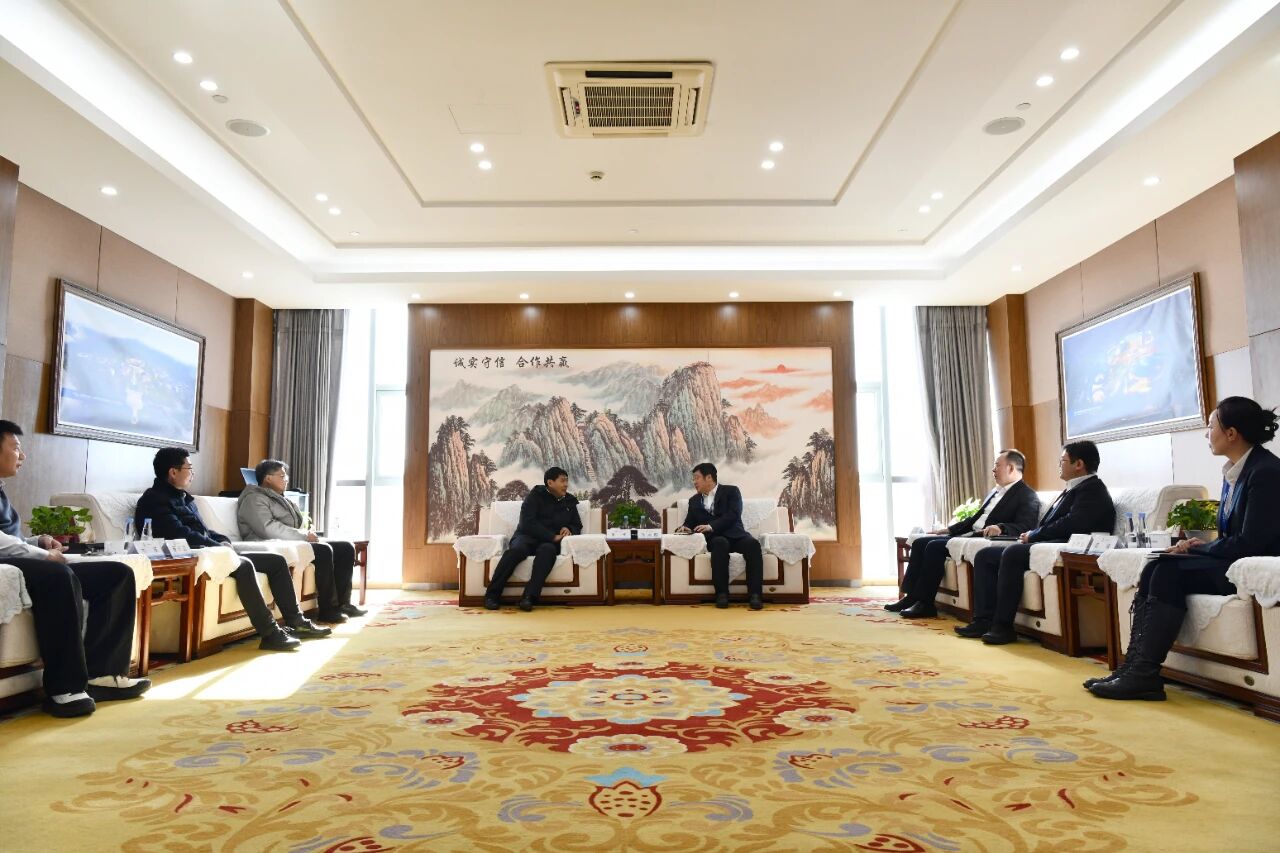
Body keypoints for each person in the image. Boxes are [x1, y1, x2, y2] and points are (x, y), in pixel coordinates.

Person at [1089, 397, 1280, 701]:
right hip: (1232, 561)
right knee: (1155, 566)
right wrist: (1196, 547)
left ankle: (1144, 674)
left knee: (1168, 572)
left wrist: (1199, 549)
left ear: (1231, 433)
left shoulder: (1266, 472)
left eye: (1211, 426)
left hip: (1252, 567)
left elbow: (1253, 541)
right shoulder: (1235, 471)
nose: (1207, 434)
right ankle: (1133, 667)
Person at [0, 420, 151, 717]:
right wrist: (41, 555)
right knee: (58, 575)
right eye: (15, 448)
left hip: (18, 557)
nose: (22, 455)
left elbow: (8, 537)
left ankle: (102, 675)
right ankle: (64, 689)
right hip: (9, 563)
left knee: (116, 575)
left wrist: (38, 541)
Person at [135, 448, 330, 650]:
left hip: (213, 552)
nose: (193, 473)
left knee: (276, 561)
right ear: (173, 472)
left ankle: (296, 621)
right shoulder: (154, 500)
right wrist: (217, 546)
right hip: (192, 556)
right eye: (189, 468)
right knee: (244, 565)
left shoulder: (185, 499)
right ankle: (270, 633)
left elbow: (203, 530)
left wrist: (223, 540)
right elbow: (179, 533)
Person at [956, 440, 1115, 645]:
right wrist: (1033, 534)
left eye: (1062, 461)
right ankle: (982, 620)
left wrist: (1034, 535)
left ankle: (1003, 627)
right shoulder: (1074, 488)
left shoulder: (1092, 489)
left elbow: (1071, 523)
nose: (1059, 465)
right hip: (1054, 540)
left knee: (1013, 553)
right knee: (985, 555)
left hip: (1071, 544)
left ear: (1079, 464)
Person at [888, 450, 1041, 618]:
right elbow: (974, 519)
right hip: (968, 534)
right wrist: (949, 529)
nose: (993, 469)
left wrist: (1001, 527)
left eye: (997, 465)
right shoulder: (994, 492)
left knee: (933, 546)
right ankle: (911, 597)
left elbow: (1026, 526)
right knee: (920, 542)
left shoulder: (1027, 495)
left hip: (982, 539)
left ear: (1011, 468)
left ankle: (925, 604)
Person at [237, 459, 366, 623]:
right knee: (323, 550)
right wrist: (304, 536)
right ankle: (328, 609)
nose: (286, 479)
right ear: (268, 478)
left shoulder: (280, 498)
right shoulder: (253, 498)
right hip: (268, 542)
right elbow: (268, 528)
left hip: (290, 540)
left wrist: (307, 533)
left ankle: (343, 604)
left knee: (345, 547)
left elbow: (295, 525)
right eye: (282, 476)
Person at [484, 467, 581, 611]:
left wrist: (569, 528)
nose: (566, 485)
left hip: (549, 543)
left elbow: (577, 525)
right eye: (562, 481)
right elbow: (527, 523)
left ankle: (529, 597)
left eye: (567, 481)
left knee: (547, 551)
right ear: (550, 482)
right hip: (527, 536)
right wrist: (552, 536)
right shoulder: (535, 496)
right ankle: (492, 596)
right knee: (516, 551)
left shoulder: (570, 501)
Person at [674, 462, 764, 610]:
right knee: (720, 543)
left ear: (709, 477)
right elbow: (690, 522)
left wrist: (711, 526)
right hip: (714, 538)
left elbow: (734, 514)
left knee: (753, 545)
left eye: (697, 478)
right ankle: (722, 594)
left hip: (736, 535)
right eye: (693, 479)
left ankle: (755, 595)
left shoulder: (732, 491)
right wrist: (685, 528)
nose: (694, 482)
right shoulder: (694, 501)